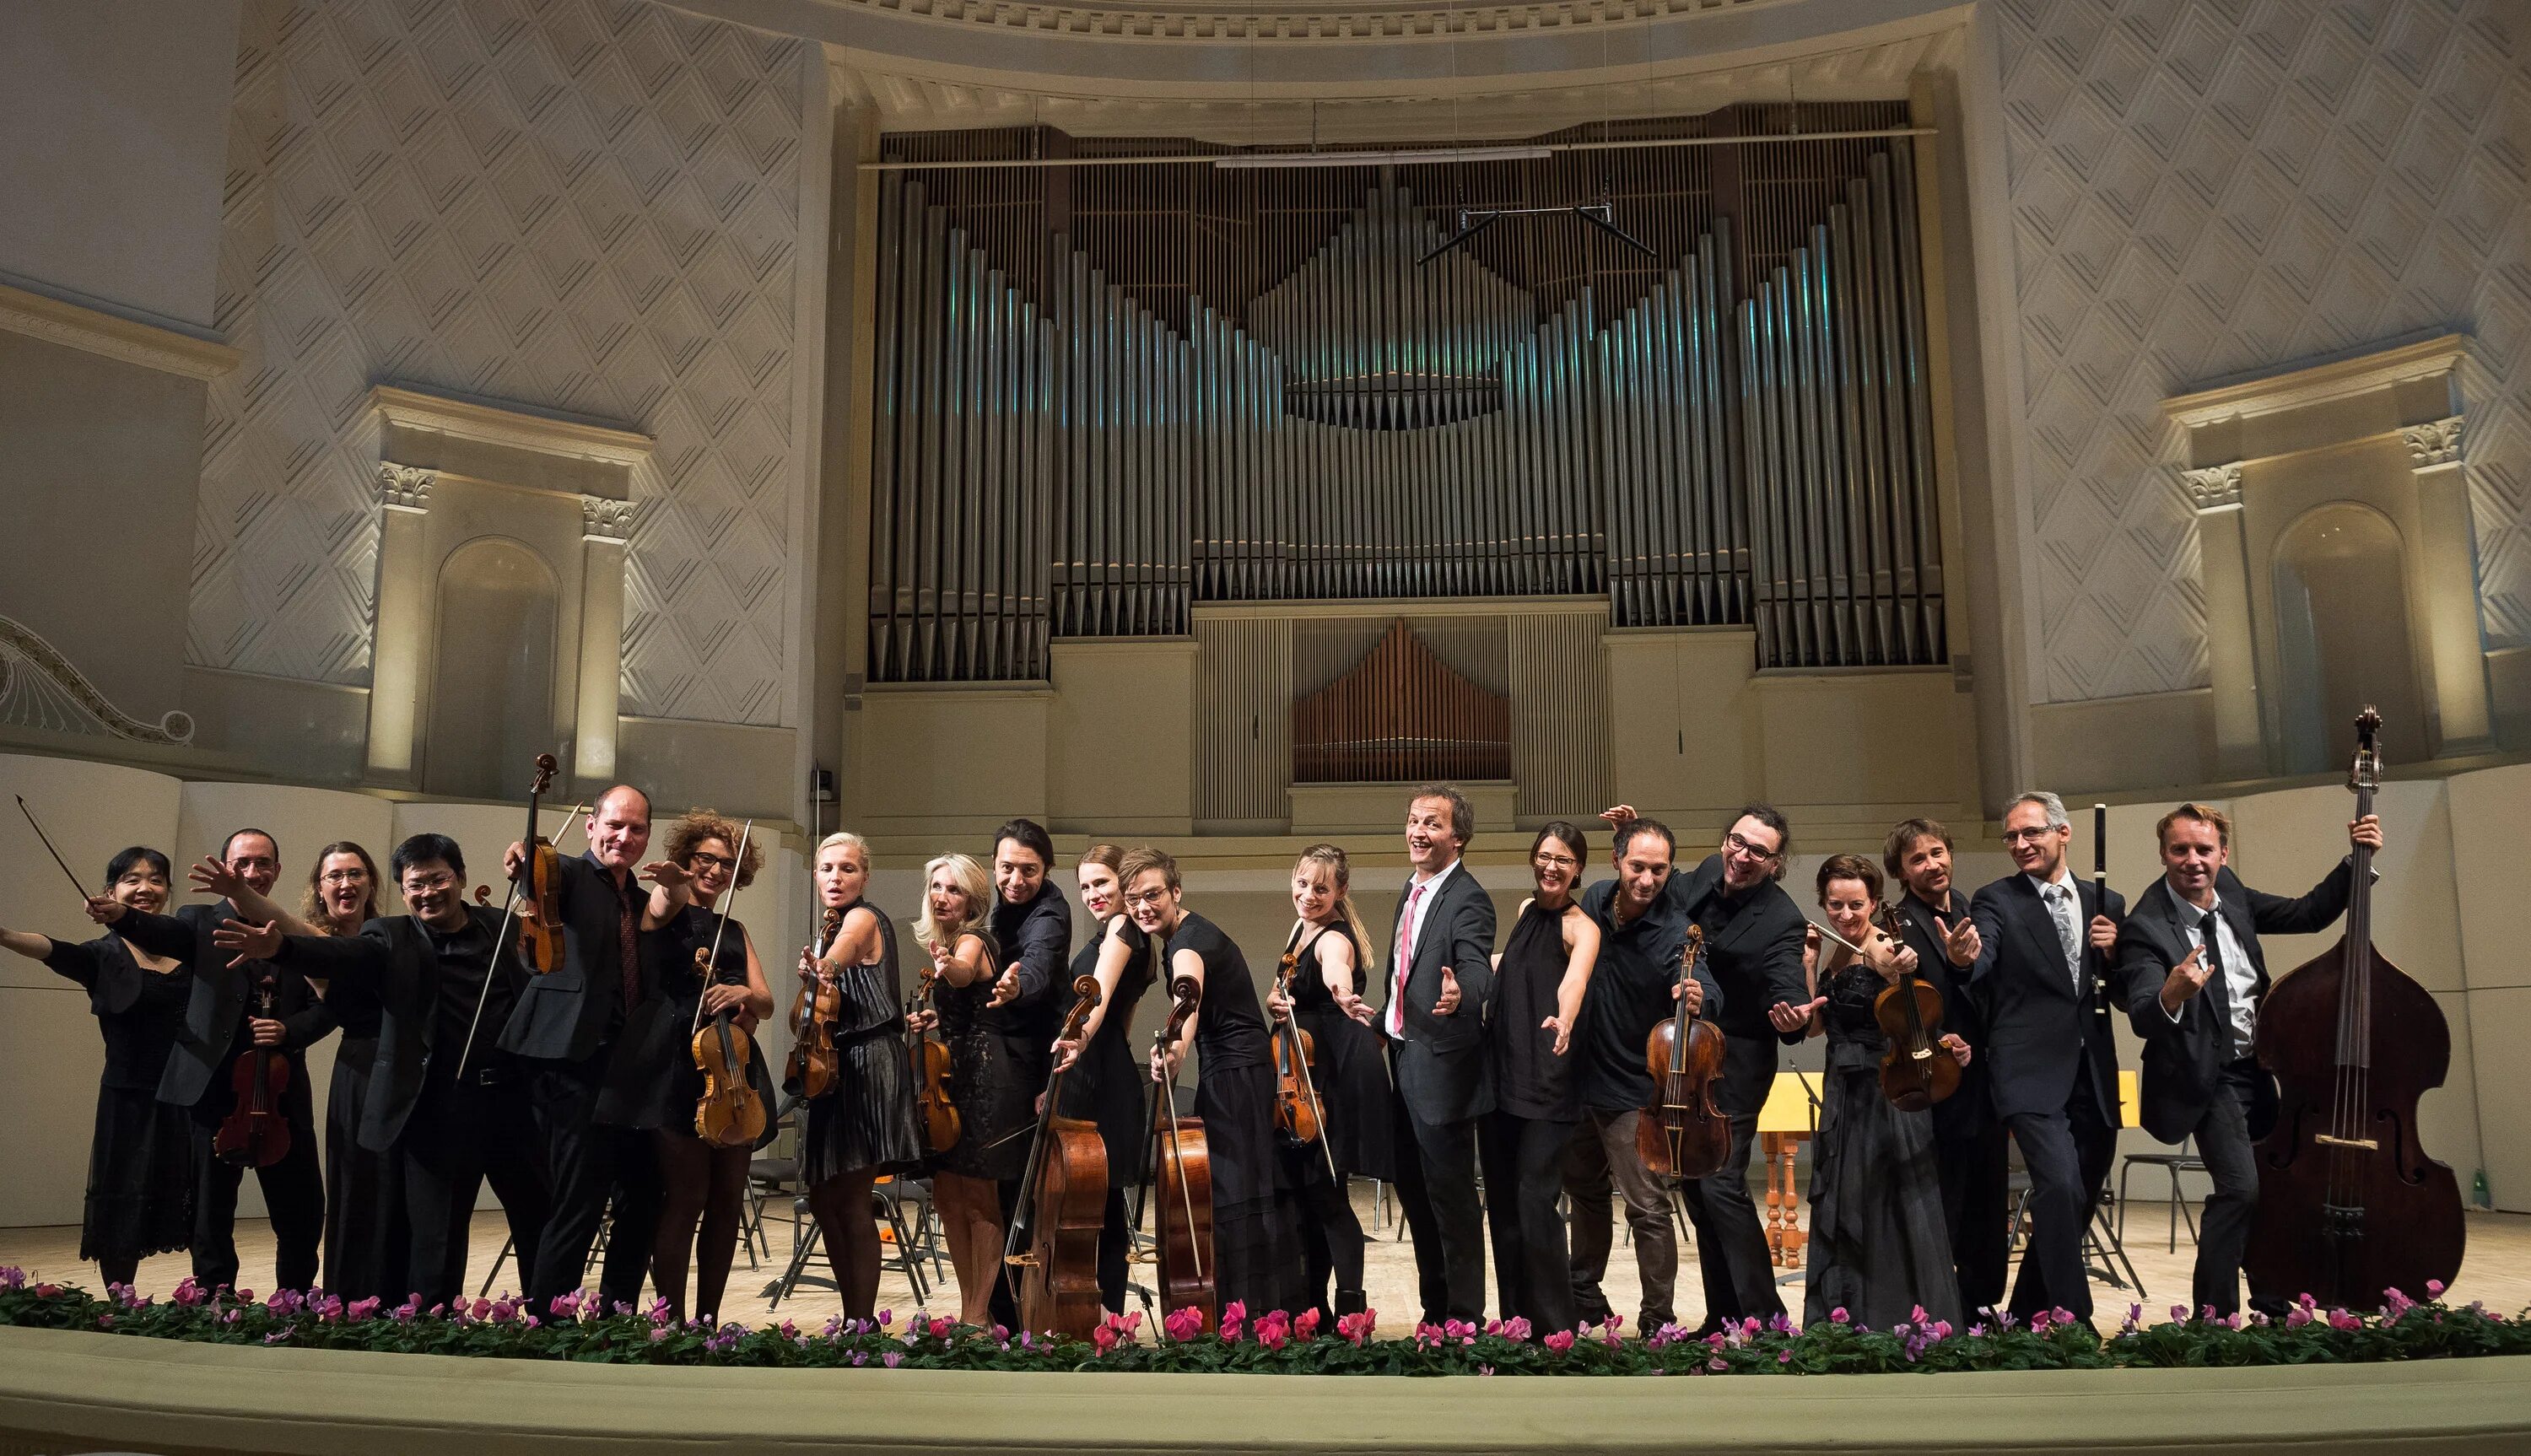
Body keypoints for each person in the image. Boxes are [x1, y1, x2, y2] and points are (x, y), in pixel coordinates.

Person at [238, 833, 549, 1311]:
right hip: (440, 1110)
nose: (428, 892)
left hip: (512, 1105)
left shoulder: (502, 927)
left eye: (439, 879)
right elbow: (338, 957)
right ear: (402, 892)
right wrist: (283, 948)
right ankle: (430, 1328)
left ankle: (549, 1323)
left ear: (461, 879)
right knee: (438, 1235)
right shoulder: (388, 935)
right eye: (416, 884)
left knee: (539, 1221)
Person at [2116, 801, 2375, 1318]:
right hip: (2203, 1079)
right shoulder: (2146, 926)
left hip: (2258, 1070)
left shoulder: (2230, 892)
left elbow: (2307, 914)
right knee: (2240, 1189)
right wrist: (2171, 993)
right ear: (2164, 854)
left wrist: (2356, 860)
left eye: (2204, 849)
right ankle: (2214, 1320)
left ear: (2222, 854)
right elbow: (2144, 1012)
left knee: (2275, 1190)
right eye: (2180, 849)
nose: (2193, 859)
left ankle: (2274, 1306)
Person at [1600, 803, 1809, 1327]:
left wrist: (1793, 1015)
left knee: (1720, 1185)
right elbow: (1654, 881)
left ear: (1776, 863)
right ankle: (1723, 1318)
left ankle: (1765, 1316)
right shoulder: (1708, 874)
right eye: (1737, 842)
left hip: (1732, 1067)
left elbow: (1786, 983)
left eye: (1759, 851)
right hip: (1686, 1062)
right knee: (1695, 1186)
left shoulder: (1781, 918)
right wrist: (1632, 834)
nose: (1742, 856)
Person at [97, 828, 326, 1293]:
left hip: (281, 1094)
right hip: (211, 1091)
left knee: (301, 1212)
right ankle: (214, 1303)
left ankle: (297, 1304)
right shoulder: (198, 919)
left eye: (263, 864)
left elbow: (327, 1003)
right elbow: (160, 931)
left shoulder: (293, 929)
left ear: (277, 871)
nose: (252, 873)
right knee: (209, 1214)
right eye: (241, 864)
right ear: (225, 868)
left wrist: (291, 1030)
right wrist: (121, 916)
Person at [497, 786, 676, 1313]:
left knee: (644, 1196)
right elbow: (532, 871)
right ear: (590, 826)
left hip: (628, 1069)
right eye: (615, 825)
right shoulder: (568, 876)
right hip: (572, 1062)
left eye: (637, 828)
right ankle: (547, 1319)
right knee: (579, 1198)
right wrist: (523, 856)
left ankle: (615, 1312)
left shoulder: (640, 901)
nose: (624, 836)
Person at [598, 811, 778, 1324]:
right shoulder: (666, 908)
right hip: (674, 1065)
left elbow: (764, 1003)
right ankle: (670, 1321)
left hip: (732, 1070)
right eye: (705, 859)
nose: (716, 870)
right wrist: (672, 884)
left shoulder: (734, 928)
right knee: (685, 1199)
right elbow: (661, 905)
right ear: (686, 858)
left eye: (726, 863)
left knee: (726, 1206)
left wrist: (744, 992)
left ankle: (709, 1322)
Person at [0, 848, 196, 1289]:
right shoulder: (101, 955)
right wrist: (5, 933)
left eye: (156, 879)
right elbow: (52, 949)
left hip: (187, 1097)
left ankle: (204, 1300)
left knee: (191, 1199)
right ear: (111, 892)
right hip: (127, 1098)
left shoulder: (187, 946)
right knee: (122, 1201)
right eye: (132, 879)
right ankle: (121, 1302)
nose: (146, 887)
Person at [1967, 790, 2125, 1322]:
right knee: (2057, 1185)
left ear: (2063, 833)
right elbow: (1981, 956)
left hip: (2094, 1073)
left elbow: (2119, 991)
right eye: (2011, 836)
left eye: (2030, 832)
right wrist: (1965, 957)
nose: (2019, 844)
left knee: (2076, 1198)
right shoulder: (1996, 899)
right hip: (2027, 1070)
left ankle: (2027, 1313)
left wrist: (2116, 953)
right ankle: (2073, 1320)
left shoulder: (2108, 901)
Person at [1798, 854, 1970, 1331]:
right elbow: (1815, 1028)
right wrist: (1810, 966)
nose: (1846, 915)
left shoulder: (1885, 947)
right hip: (1842, 1086)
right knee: (1847, 1200)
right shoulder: (1834, 949)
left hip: (1885, 1091)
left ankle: (1895, 1319)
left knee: (1885, 1202)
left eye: (1856, 904)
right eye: (1835, 905)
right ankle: (1847, 1316)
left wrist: (1904, 971)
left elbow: (1913, 1004)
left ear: (1874, 901)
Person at [1130, 846, 1301, 1318]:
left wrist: (1177, 1046)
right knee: (1242, 1188)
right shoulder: (1188, 932)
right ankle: (1264, 1312)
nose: (1143, 906)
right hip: (1236, 1072)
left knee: (1236, 1192)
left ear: (1176, 892)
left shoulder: (1186, 945)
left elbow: (1190, 994)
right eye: (1133, 899)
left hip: (1236, 1077)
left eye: (1152, 895)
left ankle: (1248, 1316)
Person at [1563, 817, 1719, 1335]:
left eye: (1658, 869)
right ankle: (1585, 1298)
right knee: (1583, 1196)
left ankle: (1659, 1320)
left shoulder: (1677, 932)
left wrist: (1701, 996)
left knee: (1647, 1209)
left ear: (1670, 871)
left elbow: (1707, 987)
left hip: (1633, 1092)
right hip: (1578, 1081)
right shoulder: (1594, 901)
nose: (1646, 879)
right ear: (1616, 861)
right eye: (1637, 866)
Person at [1379, 785, 1498, 1324]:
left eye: (1432, 823)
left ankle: (1465, 1318)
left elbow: (1474, 965)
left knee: (1450, 1200)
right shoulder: (1412, 890)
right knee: (1414, 1191)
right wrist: (1384, 1017)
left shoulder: (1468, 898)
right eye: (1412, 821)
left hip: (1444, 1069)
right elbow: (1403, 972)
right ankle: (1436, 1310)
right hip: (1403, 1058)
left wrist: (1463, 994)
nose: (1417, 832)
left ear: (1459, 836)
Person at [1262, 843, 1395, 1322]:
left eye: (1321, 888)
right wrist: (1278, 1002)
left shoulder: (1334, 938)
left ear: (1341, 891)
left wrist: (1343, 993)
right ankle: (1312, 1307)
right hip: (1299, 1080)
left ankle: (1350, 1311)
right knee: (1308, 1199)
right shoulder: (1301, 928)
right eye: (1302, 883)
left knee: (1326, 1195)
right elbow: (1286, 988)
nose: (1308, 894)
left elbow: (1336, 970)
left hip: (1328, 1083)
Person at [1881, 818, 2008, 1315]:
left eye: (1938, 852)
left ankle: (1983, 1305)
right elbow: (1904, 1006)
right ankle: (1939, 1308)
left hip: (1988, 1077)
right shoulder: (1899, 925)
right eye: (1918, 859)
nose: (1932, 864)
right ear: (1901, 872)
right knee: (1945, 1197)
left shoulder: (1981, 912)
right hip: (1935, 1075)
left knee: (1988, 1195)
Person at [796, 831, 925, 1323]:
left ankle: (862, 1325)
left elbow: (845, 951)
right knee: (825, 1199)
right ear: (815, 875)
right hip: (832, 1066)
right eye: (827, 868)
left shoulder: (861, 919)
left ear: (864, 877)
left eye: (848, 869)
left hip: (868, 1063)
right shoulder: (824, 934)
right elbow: (799, 1016)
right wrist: (808, 989)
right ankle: (852, 1318)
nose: (836, 877)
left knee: (849, 1199)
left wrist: (824, 965)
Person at [1478, 822, 1597, 1335]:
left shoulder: (1582, 927)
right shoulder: (1526, 914)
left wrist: (1566, 1018)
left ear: (1578, 871)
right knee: (1503, 1205)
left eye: (1564, 860)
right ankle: (1515, 1322)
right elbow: (1517, 969)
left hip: (1550, 1080)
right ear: (1534, 859)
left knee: (1534, 1200)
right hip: (1502, 1074)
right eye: (1546, 856)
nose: (1552, 867)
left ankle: (1555, 1327)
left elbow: (1574, 981)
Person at [915, 851, 1023, 1325]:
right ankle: (967, 1308)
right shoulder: (951, 942)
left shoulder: (974, 940)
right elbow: (967, 1001)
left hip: (984, 1078)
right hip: (950, 1078)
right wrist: (938, 1017)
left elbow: (962, 972)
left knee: (979, 1197)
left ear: (973, 899)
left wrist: (946, 963)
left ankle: (978, 1316)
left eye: (954, 889)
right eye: (937, 887)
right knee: (947, 1195)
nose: (943, 896)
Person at [1049, 844, 1155, 1315]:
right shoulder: (1136, 935)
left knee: (1098, 1205)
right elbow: (1126, 1016)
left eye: (1102, 883)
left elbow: (1102, 997)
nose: (1093, 893)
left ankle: (1099, 1313)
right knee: (1103, 1204)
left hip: (1095, 1070)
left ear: (1124, 883)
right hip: (1110, 1068)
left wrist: (1081, 1040)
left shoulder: (1120, 928)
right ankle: (1102, 1312)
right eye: (1086, 885)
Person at [983, 819, 1071, 1325]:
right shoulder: (1000, 911)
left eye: (1029, 871)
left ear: (1048, 868)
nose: (1016, 880)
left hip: (1030, 1066)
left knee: (1017, 1194)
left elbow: (1037, 964)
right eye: (1007, 868)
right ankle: (997, 1311)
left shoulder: (1050, 913)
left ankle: (1016, 1315)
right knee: (998, 1190)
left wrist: (1018, 987)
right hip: (1001, 1058)